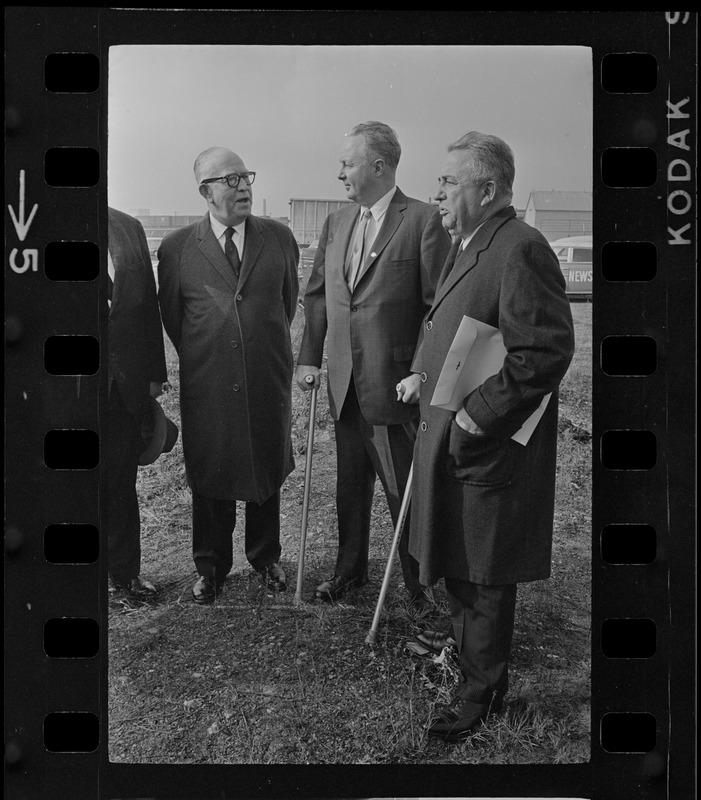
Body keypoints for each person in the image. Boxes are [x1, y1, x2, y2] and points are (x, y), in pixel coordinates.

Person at [405, 131, 575, 741]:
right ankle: (473, 670)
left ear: (488, 187)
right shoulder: (477, 240)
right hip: (458, 438)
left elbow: (545, 350)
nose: (438, 193)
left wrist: (478, 415)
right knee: (461, 561)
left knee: (482, 572)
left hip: (485, 445)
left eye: (449, 182)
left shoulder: (520, 245)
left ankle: (482, 697)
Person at [295, 121, 451, 605]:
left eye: (347, 163)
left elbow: (437, 307)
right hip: (343, 382)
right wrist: (309, 359)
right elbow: (318, 297)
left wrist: (420, 372)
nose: (339, 172)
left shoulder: (424, 219)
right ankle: (351, 570)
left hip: (394, 385)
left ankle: (417, 585)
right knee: (349, 485)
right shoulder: (337, 222)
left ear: (378, 166)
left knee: (401, 489)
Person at [157, 147, 299, 604]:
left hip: (264, 378)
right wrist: (211, 355)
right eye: (231, 180)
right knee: (212, 472)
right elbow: (175, 320)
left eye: (246, 177)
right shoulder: (178, 248)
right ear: (206, 191)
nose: (244, 187)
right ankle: (211, 567)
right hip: (208, 383)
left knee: (264, 466)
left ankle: (265, 556)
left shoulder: (278, 238)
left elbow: (287, 304)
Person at [107, 207, 168, 599]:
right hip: (60, 390)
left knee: (120, 484)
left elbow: (148, 308)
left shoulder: (127, 227)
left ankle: (125, 574)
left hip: (122, 389)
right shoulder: (36, 220)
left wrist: (154, 377)